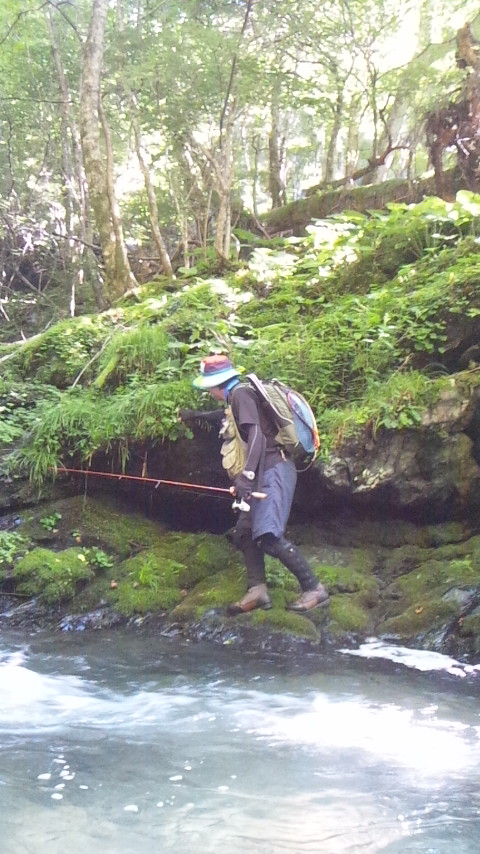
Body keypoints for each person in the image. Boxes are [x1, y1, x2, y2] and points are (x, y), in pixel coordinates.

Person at [179, 354, 329, 615]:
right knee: (245, 533)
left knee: (268, 536)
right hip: (264, 470)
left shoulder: (240, 395)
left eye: (208, 386)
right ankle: (257, 590)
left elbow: (257, 435)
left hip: (274, 469)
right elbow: (230, 418)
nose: (208, 391)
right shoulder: (238, 395)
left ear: (216, 383)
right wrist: (196, 415)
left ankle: (314, 587)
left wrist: (246, 477)